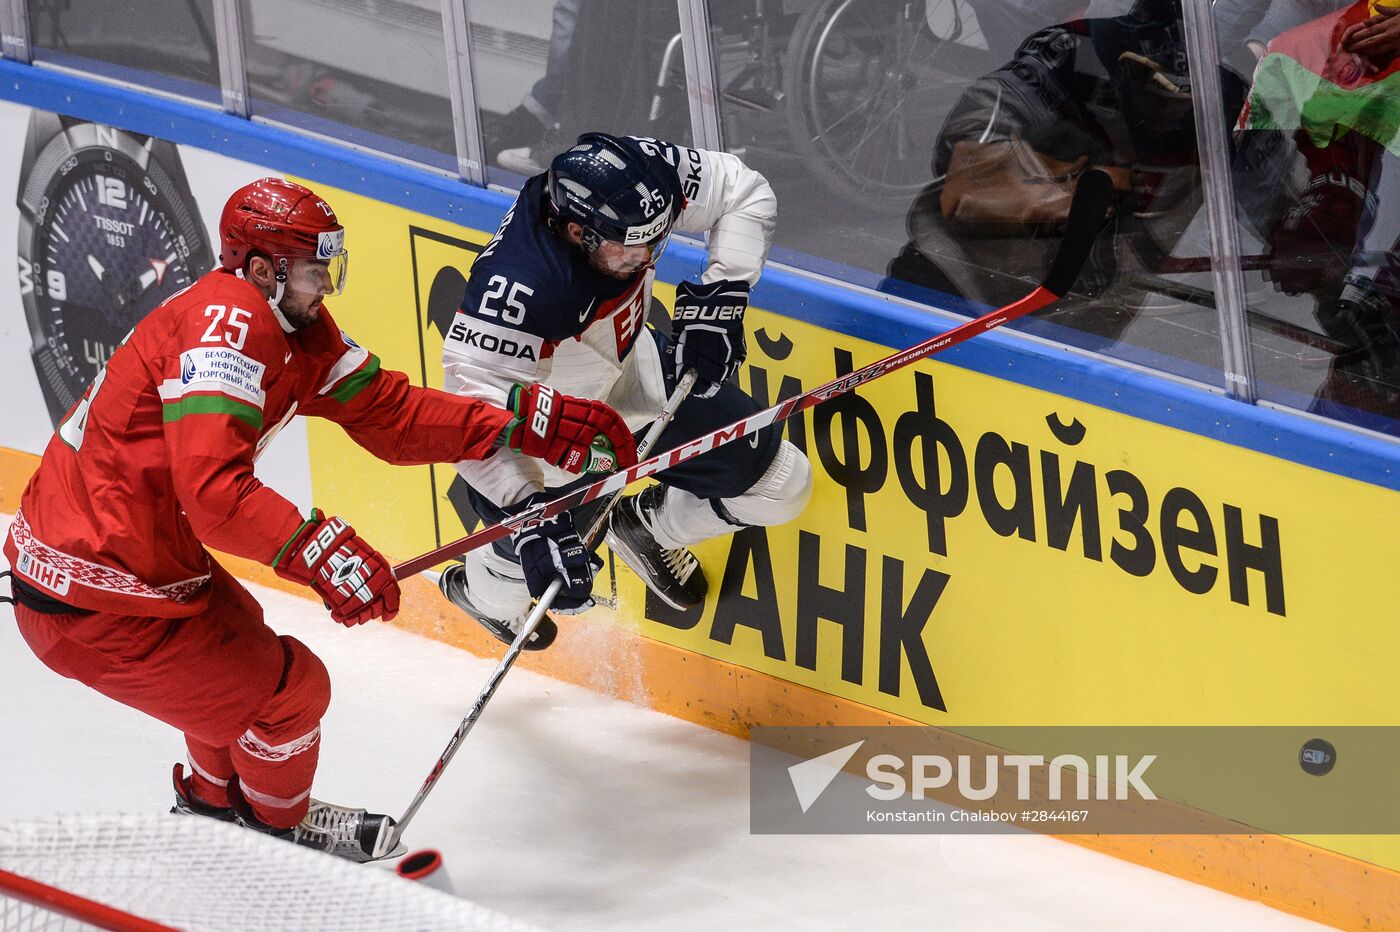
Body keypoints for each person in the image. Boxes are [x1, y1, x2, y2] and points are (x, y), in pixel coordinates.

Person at [0, 177, 636, 862]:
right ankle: (279, 840)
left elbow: (393, 415)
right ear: (262, 268)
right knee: (291, 692)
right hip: (92, 596)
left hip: (126, 567)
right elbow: (214, 495)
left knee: (240, 646)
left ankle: (215, 807)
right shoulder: (229, 326)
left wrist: (517, 422)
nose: (326, 285)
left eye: (330, 266)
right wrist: (318, 551)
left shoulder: (292, 326)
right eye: (312, 269)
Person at [437, 132, 813, 650]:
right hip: (552, 440)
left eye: (655, 242)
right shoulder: (519, 287)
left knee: (783, 485)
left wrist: (724, 291)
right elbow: (471, 415)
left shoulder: (640, 175)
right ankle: (480, 595)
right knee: (521, 583)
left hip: (637, 378)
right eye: (630, 246)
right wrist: (527, 514)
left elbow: (743, 189)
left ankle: (651, 527)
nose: (646, 256)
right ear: (577, 232)